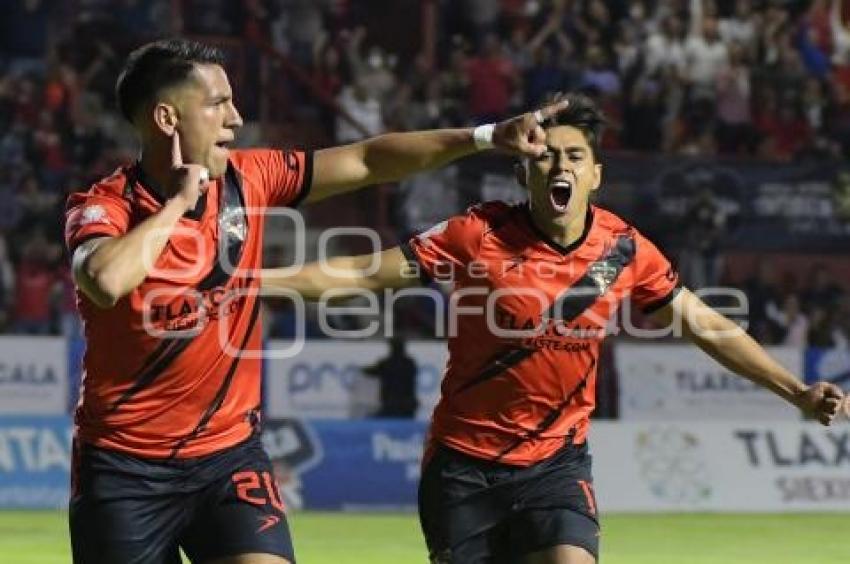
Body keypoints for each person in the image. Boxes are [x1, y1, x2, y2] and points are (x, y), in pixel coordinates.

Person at [262, 93, 845, 564]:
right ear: (524, 172)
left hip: (556, 464)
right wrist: (257, 281)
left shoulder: (622, 250)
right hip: (463, 467)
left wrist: (793, 390)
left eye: (573, 156)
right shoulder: (476, 234)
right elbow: (365, 274)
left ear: (595, 174)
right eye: (545, 156)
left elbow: (706, 325)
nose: (559, 165)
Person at [64, 38, 568, 564]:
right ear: (167, 117)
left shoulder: (248, 179)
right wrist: (179, 205)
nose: (235, 118)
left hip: (227, 456)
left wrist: (484, 136)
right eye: (217, 104)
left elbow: (367, 159)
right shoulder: (105, 205)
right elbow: (105, 279)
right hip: (125, 467)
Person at [362, 337, 419, 418]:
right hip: (408, 407)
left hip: (390, 406)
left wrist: (360, 369)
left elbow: (370, 371)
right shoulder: (410, 363)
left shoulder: (386, 363)